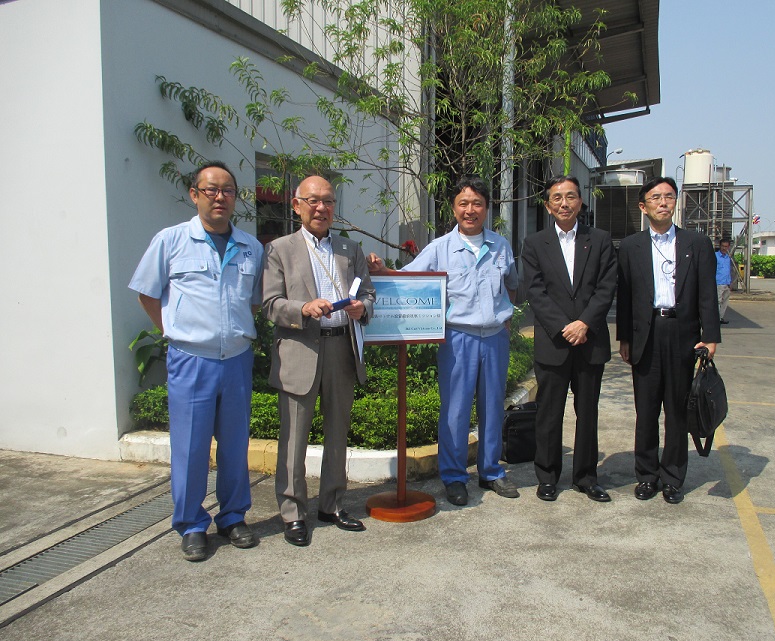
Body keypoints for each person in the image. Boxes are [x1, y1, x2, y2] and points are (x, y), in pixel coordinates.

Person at [129, 161, 263, 561]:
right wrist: (174, 329)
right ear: (194, 194)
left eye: (228, 190)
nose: (220, 197)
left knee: (235, 446)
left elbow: (254, 301)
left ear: (236, 197)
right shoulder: (171, 241)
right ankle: (191, 524)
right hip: (190, 360)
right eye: (211, 190)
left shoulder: (251, 247)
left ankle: (233, 517)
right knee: (189, 448)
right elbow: (147, 293)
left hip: (236, 359)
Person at [367, 176, 519, 506]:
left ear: (487, 208)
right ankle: (454, 477)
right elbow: (409, 277)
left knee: (493, 406)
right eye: (463, 203)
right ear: (453, 208)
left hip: (495, 338)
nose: (470, 210)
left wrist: (506, 320)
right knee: (456, 410)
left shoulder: (500, 246)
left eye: (477, 203)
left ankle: (491, 471)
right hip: (458, 338)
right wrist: (382, 270)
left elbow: (511, 283)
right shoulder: (440, 248)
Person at [262, 175, 375, 547]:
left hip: (342, 348)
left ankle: (332, 504)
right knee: (294, 438)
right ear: (297, 205)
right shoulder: (279, 249)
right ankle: (293, 513)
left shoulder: (349, 248)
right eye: (313, 200)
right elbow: (270, 304)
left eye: (328, 200)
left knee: (338, 433)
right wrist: (303, 308)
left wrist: (362, 308)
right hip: (300, 349)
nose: (321, 207)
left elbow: (369, 292)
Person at [616, 177, 720, 504]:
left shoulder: (696, 243)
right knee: (646, 411)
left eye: (669, 197)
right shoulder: (631, 247)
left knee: (677, 410)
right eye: (656, 197)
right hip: (646, 334)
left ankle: (673, 477)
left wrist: (710, 336)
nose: (663, 202)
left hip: (682, 334)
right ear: (643, 206)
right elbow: (625, 296)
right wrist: (624, 338)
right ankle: (646, 475)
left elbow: (707, 293)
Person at [521, 176, 617, 503]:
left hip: (590, 341)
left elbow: (607, 286)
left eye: (571, 196)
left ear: (580, 201)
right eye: (557, 198)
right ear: (548, 206)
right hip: (554, 342)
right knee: (549, 414)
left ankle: (586, 477)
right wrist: (565, 327)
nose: (564, 203)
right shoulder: (535, 243)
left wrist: (584, 323)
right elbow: (535, 291)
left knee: (587, 413)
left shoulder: (600, 239)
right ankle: (547, 476)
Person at [715, 238, 737, 324]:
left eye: (726, 246)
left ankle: (721, 317)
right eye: (723, 246)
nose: (724, 248)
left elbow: (728, 271)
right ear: (720, 246)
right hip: (718, 283)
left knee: (725, 302)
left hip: (726, 283)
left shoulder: (728, 258)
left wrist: (730, 282)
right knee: (718, 301)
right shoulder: (715, 256)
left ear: (728, 247)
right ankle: (716, 318)